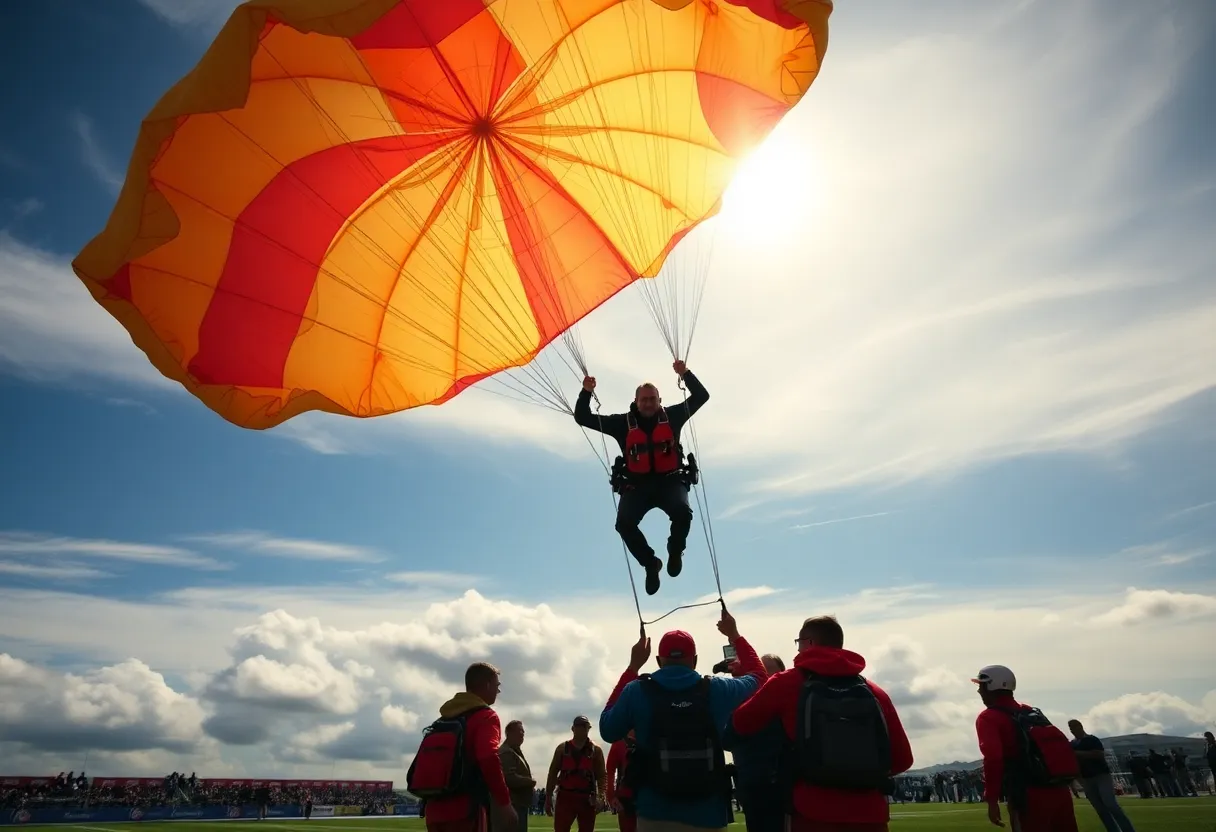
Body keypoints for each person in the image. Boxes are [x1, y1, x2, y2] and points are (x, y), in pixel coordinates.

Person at [730, 615, 913, 832]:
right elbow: (902, 759)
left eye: (799, 644)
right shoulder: (874, 692)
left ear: (809, 643)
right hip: (870, 813)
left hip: (811, 811)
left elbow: (738, 726)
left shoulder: (786, 683)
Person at [599, 608, 766, 832]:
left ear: (659, 660)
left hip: (654, 814)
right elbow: (760, 677)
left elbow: (607, 729)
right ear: (695, 660)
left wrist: (633, 667)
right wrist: (734, 635)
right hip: (708, 814)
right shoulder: (717, 689)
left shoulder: (636, 691)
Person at [575, 361, 709, 595]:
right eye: (644, 399)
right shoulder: (622, 424)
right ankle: (650, 564)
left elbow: (701, 396)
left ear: (659, 401)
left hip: (670, 480)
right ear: (636, 402)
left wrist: (684, 373)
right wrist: (586, 391)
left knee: (682, 513)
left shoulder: (674, 416)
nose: (648, 403)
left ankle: (675, 550)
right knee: (623, 524)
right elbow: (583, 417)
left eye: (652, 399)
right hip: (637, 486)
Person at [408, 662, 517, 832]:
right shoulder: (486, 716)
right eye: (497, 685)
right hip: (465, 811)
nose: (498, 691)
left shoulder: (444, 718)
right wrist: (504, 803)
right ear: (488, 685)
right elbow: (488, 758)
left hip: (434, 810)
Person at [972, 665, 1078, 831]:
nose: (979, 691)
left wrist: (992, 799)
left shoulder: (989, 717)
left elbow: (993, 759)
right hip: (1060, 789)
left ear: (991, 686)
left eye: (981, 686)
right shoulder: (1030, 712)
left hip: (1028, 793)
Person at [720, 654, 788, 832]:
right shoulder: (750, 706)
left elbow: (726, 738)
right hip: (758, 787)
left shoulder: (757, 707)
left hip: (771, 785)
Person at [1066, 719, 1135, 832]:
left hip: (1101, 775)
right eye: (1071, 728)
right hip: (1086, 778)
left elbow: (1099, 754)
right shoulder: (1072, 744)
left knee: (1111, 804)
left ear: (1081, 726)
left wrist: (1078, 754)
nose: (1073, 730)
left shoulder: (1092, 740)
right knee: (1100, 809)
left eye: (1074, 726)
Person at [545, 716, 607, 832]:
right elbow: (552, 773)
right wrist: (548, 797)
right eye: (580, 726)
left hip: (587, 798)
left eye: (585, 727)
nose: (583, 729)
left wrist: (601, 797)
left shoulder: (596, 751)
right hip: (565, 797)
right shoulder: (562, 749)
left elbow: (602, 776)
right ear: (573, 728)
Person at [500, 721, 537, 832]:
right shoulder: (506, 752)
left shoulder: (514, 751)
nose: (522, 734)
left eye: (523, 732)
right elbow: (509, 778)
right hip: (514, 804)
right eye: (519, 731)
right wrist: (530, 782)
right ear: (509, 733)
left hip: (519, 803)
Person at [606, 731, 638, 832]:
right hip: (626, 798)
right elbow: (610, 772)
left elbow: (610, 772)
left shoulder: (619, 743)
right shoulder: (619, 744)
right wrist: (611, 797)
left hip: (643, 796)